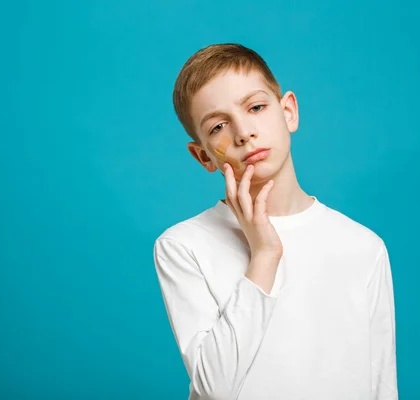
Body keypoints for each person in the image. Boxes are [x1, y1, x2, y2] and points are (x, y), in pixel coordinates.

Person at [153, 43, 398, 400]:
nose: (243, 133)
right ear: (203, 155)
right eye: (219, 125)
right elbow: (214, 390)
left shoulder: (363, 247)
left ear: (288, 112)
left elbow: (382, 386)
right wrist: (264, 255)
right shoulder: (183, 246)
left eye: (255, 107)